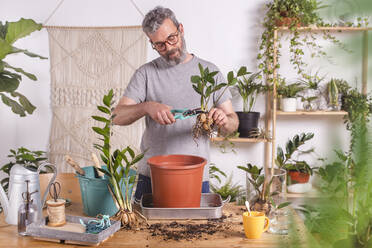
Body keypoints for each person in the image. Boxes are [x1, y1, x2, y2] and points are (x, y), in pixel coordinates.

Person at [113, 6, 239, 202]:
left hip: (196, 175)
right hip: (152, 177)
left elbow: (233, 123)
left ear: (181, 29)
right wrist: (147, 106)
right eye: (160, 45)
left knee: (197, 232)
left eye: (172, 38)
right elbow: (116, 116)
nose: (169, 48)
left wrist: (224, 120)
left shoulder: (210, 71)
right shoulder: (146, 74)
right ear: (151, 43)